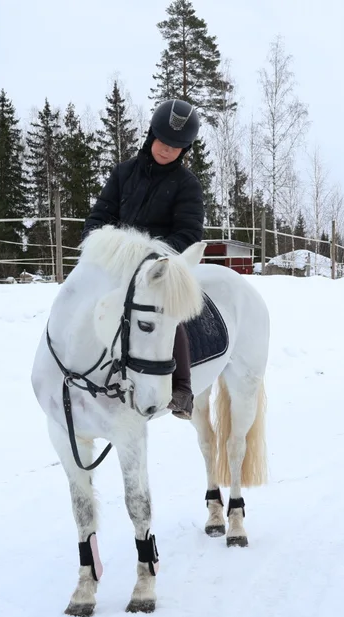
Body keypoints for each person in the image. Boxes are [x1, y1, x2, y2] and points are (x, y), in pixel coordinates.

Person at [81, 98, 204, 420]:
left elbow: (188, 233)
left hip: (158, 267)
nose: (167, 150)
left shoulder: (187, 185)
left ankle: (182, 387)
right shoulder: (123, 173)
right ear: (151, 136)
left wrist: (150, 256)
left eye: (176, 146)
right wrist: (106, 245)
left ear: (184, 150)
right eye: (164, 142)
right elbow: (99, 218)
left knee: (165, 312)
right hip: (117, 261)